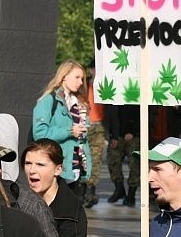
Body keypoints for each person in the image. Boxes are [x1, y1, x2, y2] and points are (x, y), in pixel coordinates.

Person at [32, 60, 92, 200]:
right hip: (57, 167)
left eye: (82, 79)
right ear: (64, 76)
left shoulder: (80, 104)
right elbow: (40, 134)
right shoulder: (49, 100)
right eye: (77, 77)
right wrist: (69, 131)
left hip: (76, 168)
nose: (80, 82)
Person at [106, 105, 139, 206]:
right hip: (117, 134)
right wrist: (113, 135)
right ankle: (119, 189)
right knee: (113, 161)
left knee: (135, 165)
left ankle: (131, 195)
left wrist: (133, 130)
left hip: (134, 134)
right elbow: (111, 113)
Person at [84, 67, 106, 207]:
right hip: (84, 125)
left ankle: (91, 191)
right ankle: (83, 191)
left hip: (98, 125)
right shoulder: (82, 86)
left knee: (96, 159)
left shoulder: (104, 88)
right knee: (83, 159)